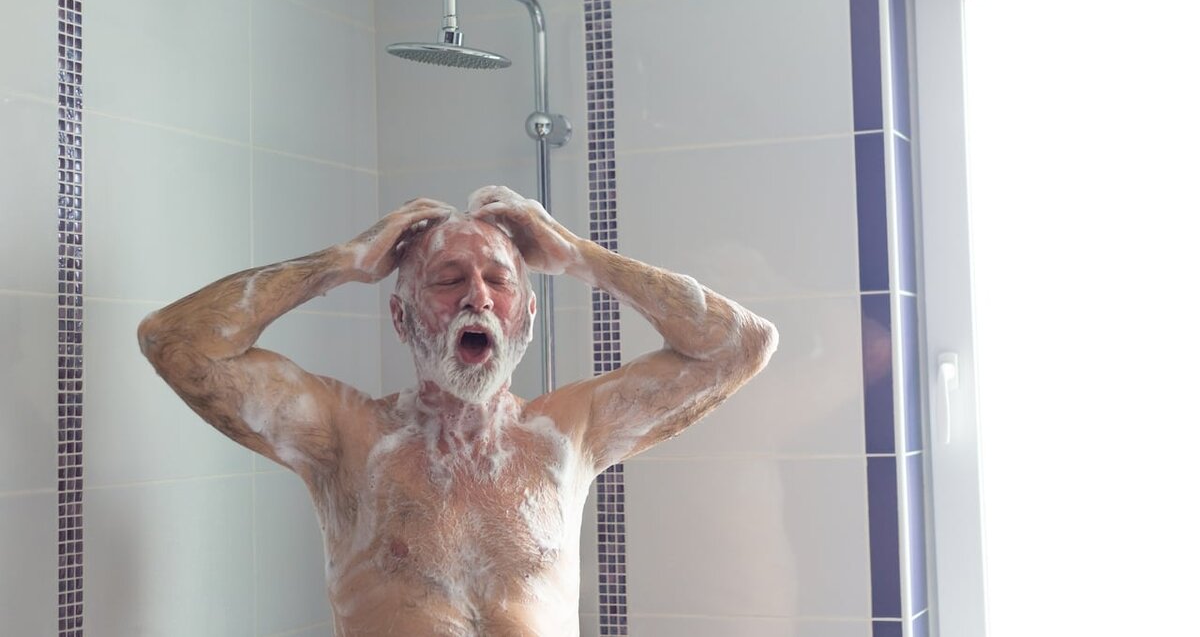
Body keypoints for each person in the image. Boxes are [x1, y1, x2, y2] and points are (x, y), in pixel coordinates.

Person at [138, 185, 778, 636]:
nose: (478, 296)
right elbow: (177, 341)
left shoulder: (568, 434)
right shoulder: (346, 437)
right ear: (401, 317)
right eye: (448, 280)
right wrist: (341, 263)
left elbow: (740, 346)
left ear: (527, 316)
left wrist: (580, 256)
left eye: (499, 281)